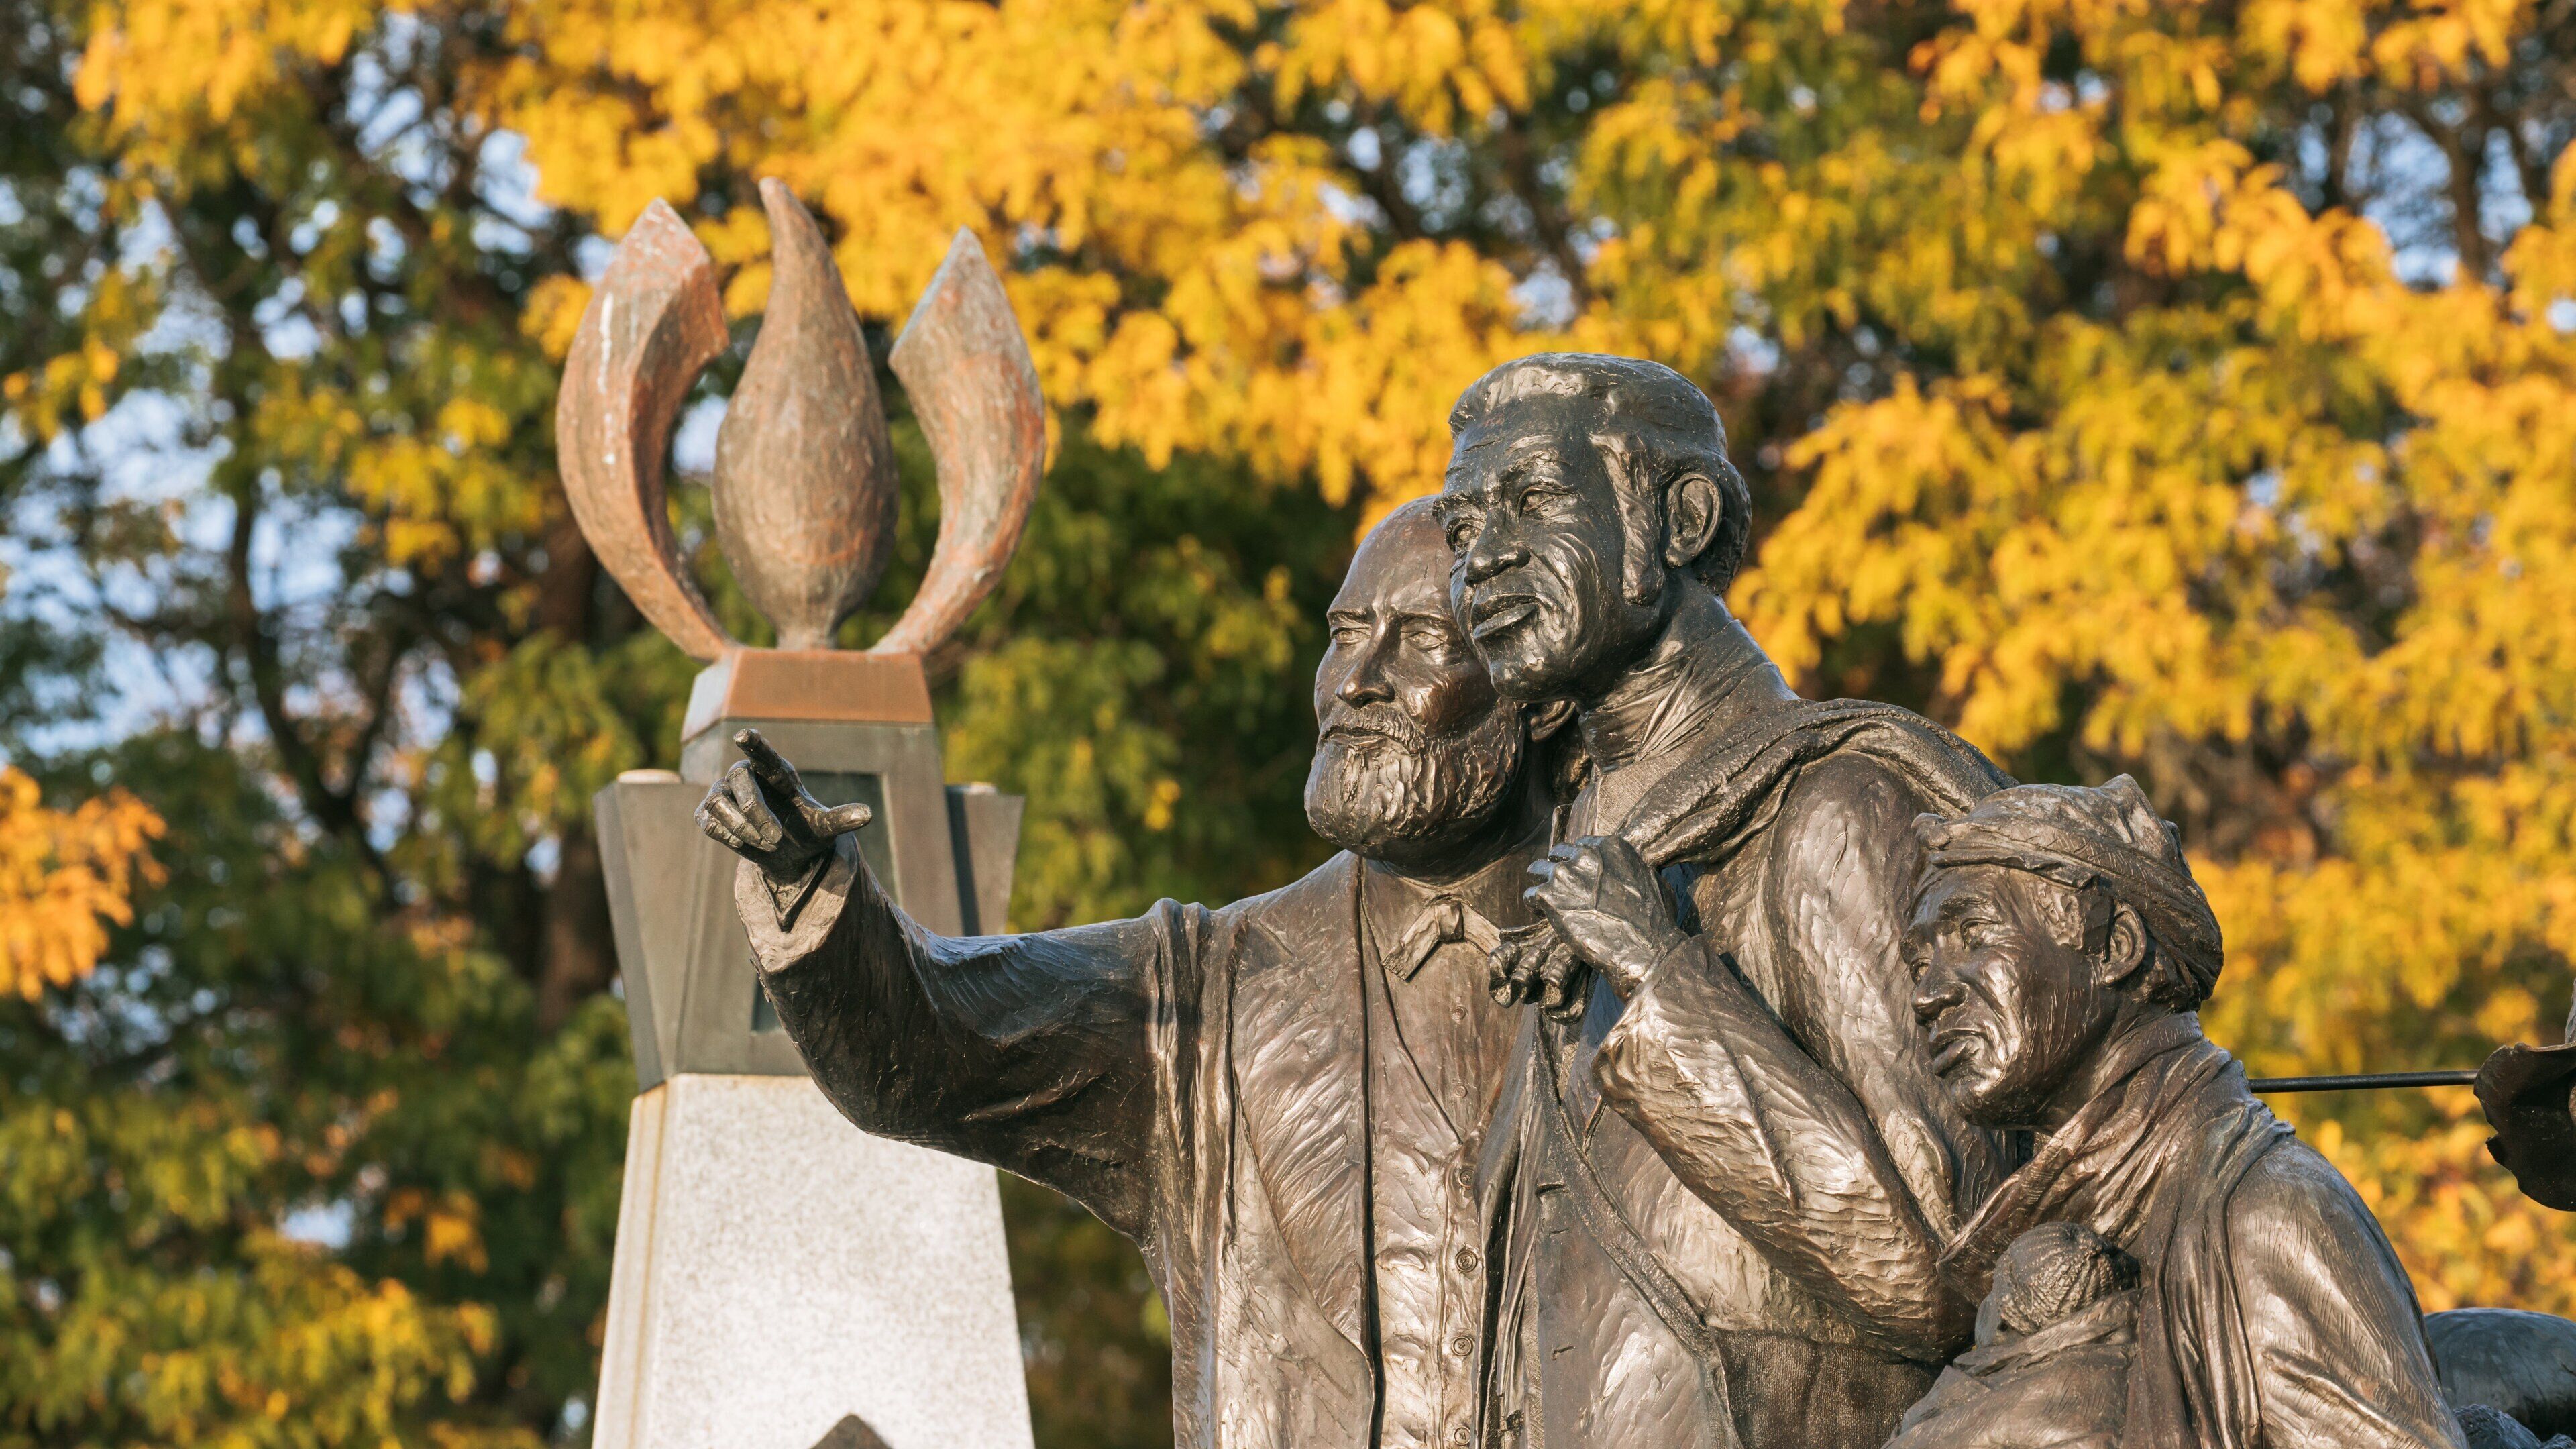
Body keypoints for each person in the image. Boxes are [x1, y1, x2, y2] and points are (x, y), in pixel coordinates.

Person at [696, 502, 1565, 1449]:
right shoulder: (1211, 988)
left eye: (1422, 640)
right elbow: (930, 1040)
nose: (1356, 680)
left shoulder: (1652, 961)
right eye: (1347, 634)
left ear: (1541, 693)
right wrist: (813, 890)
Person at [1432, 352, 2015, 1448]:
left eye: (1533, 502)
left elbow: (1943, 1264)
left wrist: (1664, 980)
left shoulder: (1835, 811)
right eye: (1462, 532)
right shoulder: (1576, 851)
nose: (1485, 560)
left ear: (1682, 519)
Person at [1898, 776, 2463, 1448]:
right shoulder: (2057, 1219)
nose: (1927, 995)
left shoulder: (2267, 1214)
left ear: (2114, 949)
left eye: (1971, 935)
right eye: (1918, 962)